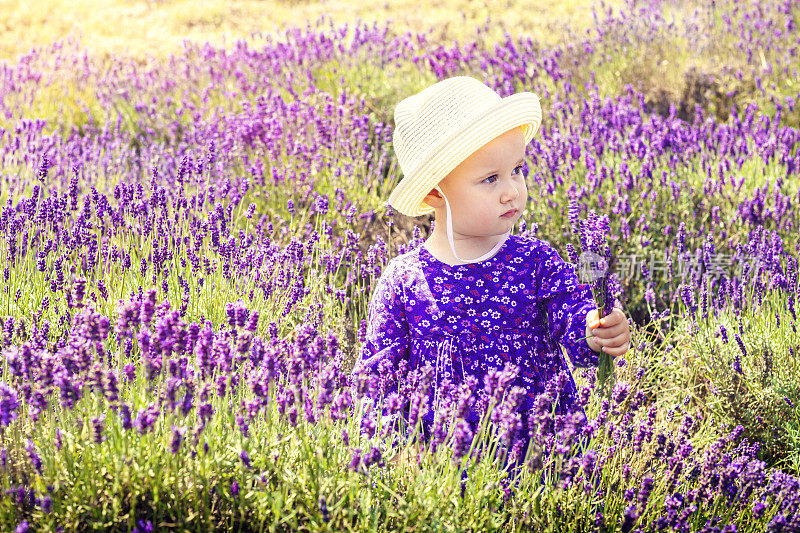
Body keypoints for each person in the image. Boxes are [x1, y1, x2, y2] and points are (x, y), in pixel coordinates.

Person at [356, 76, 631, 462]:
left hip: (545, 459)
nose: (512, 190)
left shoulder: (536, 261)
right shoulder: (403, 281)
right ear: (435, 192)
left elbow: (575, 320)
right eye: (490, 178)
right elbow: (378, 376)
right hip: (451, 472)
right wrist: (387, 453)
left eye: (517, 170)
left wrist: (597, 331)